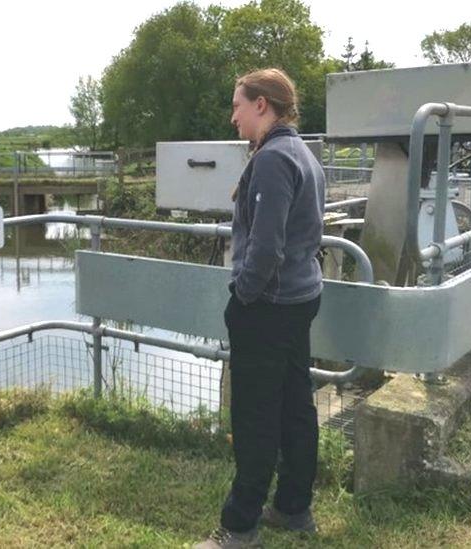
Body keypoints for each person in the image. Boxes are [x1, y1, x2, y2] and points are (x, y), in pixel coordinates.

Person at [195, 68, 325, 548]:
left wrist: (242, 299)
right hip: (300, 298)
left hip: (267, 307)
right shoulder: (304, 154)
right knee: (295, 405)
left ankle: (239, 526)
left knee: (254, 417)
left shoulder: (272, 160)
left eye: (237, 105)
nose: (233, 117)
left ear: (262, 106)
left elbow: (265, 248)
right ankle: (293, 507)